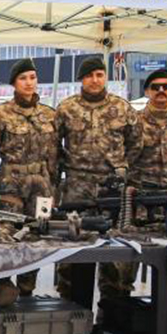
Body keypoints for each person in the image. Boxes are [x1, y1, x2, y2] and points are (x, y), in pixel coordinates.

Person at [54, 55, 139, 299]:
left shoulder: (121, 107)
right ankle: (71, 313)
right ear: (81, 79)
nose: (95, 80)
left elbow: (135, 143)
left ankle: (111, 316)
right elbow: (54, 144)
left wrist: (119, 167)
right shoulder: (67, 108)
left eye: (99, 74)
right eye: (90, 75)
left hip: (111, 189)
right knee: (73, 249)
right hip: (77, 187)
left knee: (115, 254)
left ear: (106, 77)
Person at [108, 69, 167, 297]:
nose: (161, 91)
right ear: (147, 91)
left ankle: (159, 324)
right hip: (137, 203)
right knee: (123, 270)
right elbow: (121, 157)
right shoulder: (134, 123)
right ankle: (114, 318)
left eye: (166, 87)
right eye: (155, 87)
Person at [0, 58, 60, 297]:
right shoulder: (1, 113)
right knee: (6, 235)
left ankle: (28, 290)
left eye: (32, 77)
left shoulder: (49, 114)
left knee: (36, 236)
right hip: (11, 184)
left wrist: (54, 188)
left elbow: (55, 154)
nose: (29, 83)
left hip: (42, 185)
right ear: (14, 83)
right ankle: (3, 288)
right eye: (23, 78)